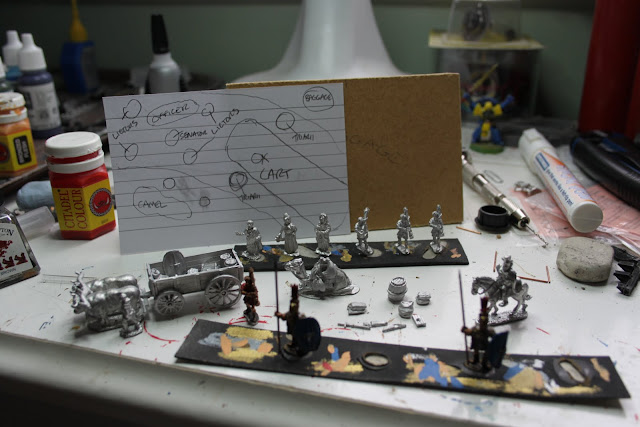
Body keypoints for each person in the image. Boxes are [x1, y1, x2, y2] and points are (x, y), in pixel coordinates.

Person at [461, 297, 495, 372]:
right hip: (476, 343)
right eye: (482, 321)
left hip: (484, 343)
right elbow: (469, 332)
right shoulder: (475, 329)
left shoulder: (487, 330)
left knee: (486, 352)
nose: (483, 323)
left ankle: (484, 363)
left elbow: (493, 335)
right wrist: (464, 330)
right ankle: (476, 360)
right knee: (476, 351)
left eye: (484, 322)